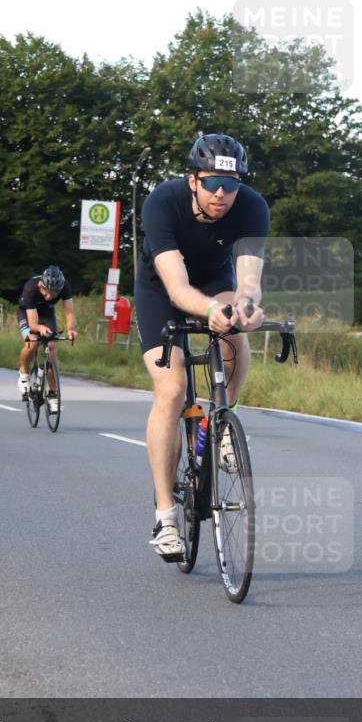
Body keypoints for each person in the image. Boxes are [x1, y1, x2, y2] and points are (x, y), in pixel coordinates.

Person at [135, 133, 269, 560]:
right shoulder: (162, 202)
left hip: (214, 280)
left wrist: (246, 307)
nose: (222, 195)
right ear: (193, 179)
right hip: (161, 288)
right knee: (172, 388)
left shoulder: (251, 206)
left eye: (231, 186)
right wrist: (209, 308)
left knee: (235, 332)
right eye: (212, 183)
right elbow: (175, 286)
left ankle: (223, 420)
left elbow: (247, 280)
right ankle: (164, 518)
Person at [17, 266, 77, 412]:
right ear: (41, 285)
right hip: (27, 313)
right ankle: (24, 372)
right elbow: (32, 324)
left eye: (54, 293)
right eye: (47, 292)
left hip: (47, 313)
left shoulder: (65, 286)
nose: (50, 297)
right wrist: (39, 329)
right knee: (32, 341)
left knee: (51, 347)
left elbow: (69, 313)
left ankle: (53, 394)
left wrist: (70, 330)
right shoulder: (31, 288)